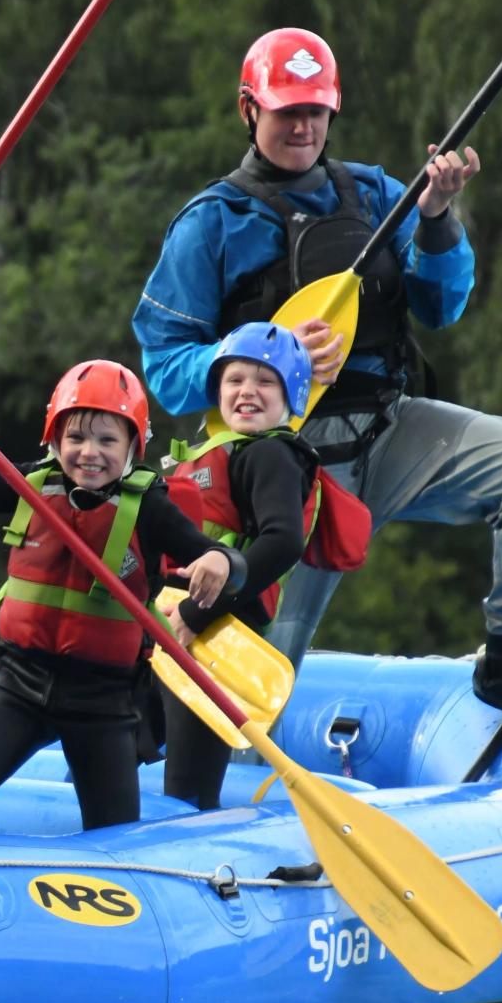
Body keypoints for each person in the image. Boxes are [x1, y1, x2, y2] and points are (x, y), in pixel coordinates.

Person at [133, 26, 502, 749]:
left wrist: (435, 219)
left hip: (388, 428)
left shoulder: (378, 196)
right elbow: (165, 366)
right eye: (286, 111)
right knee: (258, 681)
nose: (303, 126)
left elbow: (442, 306)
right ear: (249, 110)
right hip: (280, 470)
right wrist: (260, 352)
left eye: (314, 110)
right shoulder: (211, 223)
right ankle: (165, 752)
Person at [0, 361, 243, 831]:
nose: (90, 453)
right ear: (54, 440)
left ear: (133, 446)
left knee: (114, 835)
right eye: (76, 438)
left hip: (102, 703)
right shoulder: (32, 484)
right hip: (18, 686)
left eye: (107, 440)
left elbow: (223, 561)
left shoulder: (150, 508)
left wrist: (222, 561)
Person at [154, 321, 370, 809]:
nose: (247, 391)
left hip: (218, 635)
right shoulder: (224, 450)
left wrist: (196, 613)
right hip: (177, 626)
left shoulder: (272, 453)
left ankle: (196, 845)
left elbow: (282, 542)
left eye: (265, 381)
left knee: (190, 787)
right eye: (235, 380)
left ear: (291, 396)